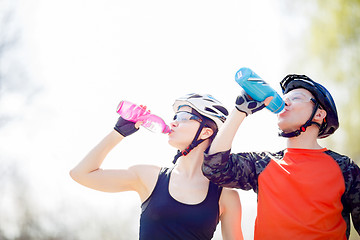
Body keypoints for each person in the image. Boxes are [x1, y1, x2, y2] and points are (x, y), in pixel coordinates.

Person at [201, 74, 360, 239]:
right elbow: (214, 167)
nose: (285, 102)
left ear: (319, 114)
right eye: (284, 98)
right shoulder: (262, 163)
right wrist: (240, 110)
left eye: (296, 97)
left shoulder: (345, 169)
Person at [70, 93, 244, 240]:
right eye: (175, 117)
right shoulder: (148, 176)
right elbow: (81, 174)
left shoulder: (226, 196)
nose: (174, 122)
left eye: (183, 118)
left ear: (206, 132)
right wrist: (118, 133)